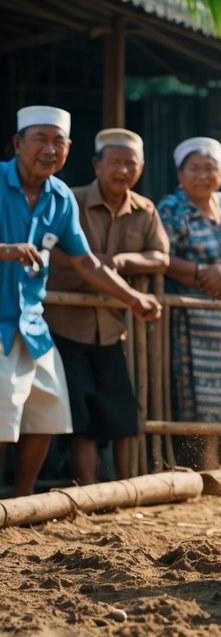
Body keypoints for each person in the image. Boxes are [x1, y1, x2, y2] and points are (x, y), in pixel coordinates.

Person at [2, 107, 160, 496]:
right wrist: (4, 250)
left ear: (69, 149)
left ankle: (21, 501)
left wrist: (134, 297)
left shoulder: (60, 197)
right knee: (3, 414)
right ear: (18, 143)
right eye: (41, 139)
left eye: (59, 142)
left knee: (50, 409)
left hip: (32, 323)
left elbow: (87, 263)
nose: (50, 149)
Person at [46, 128, 169, 484]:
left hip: (113, 327)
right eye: (114, 162)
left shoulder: (145, 209)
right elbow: (46, 247)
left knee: (118, 414)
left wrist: (121, 261)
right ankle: (86, 491)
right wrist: (85, 262)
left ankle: (121, 491)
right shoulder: (70, 199)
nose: (122, 170)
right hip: (65, 323)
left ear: (141, 168)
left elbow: (160, 257)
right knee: (80, 419)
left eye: (130, 163)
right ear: (97, 164)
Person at [159, 137, 221, 470]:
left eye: (209, 168)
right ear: (180, 174)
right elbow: (164, 258)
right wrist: (204, 273)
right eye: (194, 169)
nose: (203, 175)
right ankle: (201, 459)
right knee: (192, 386)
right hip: (188, 308)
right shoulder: (171, 208)